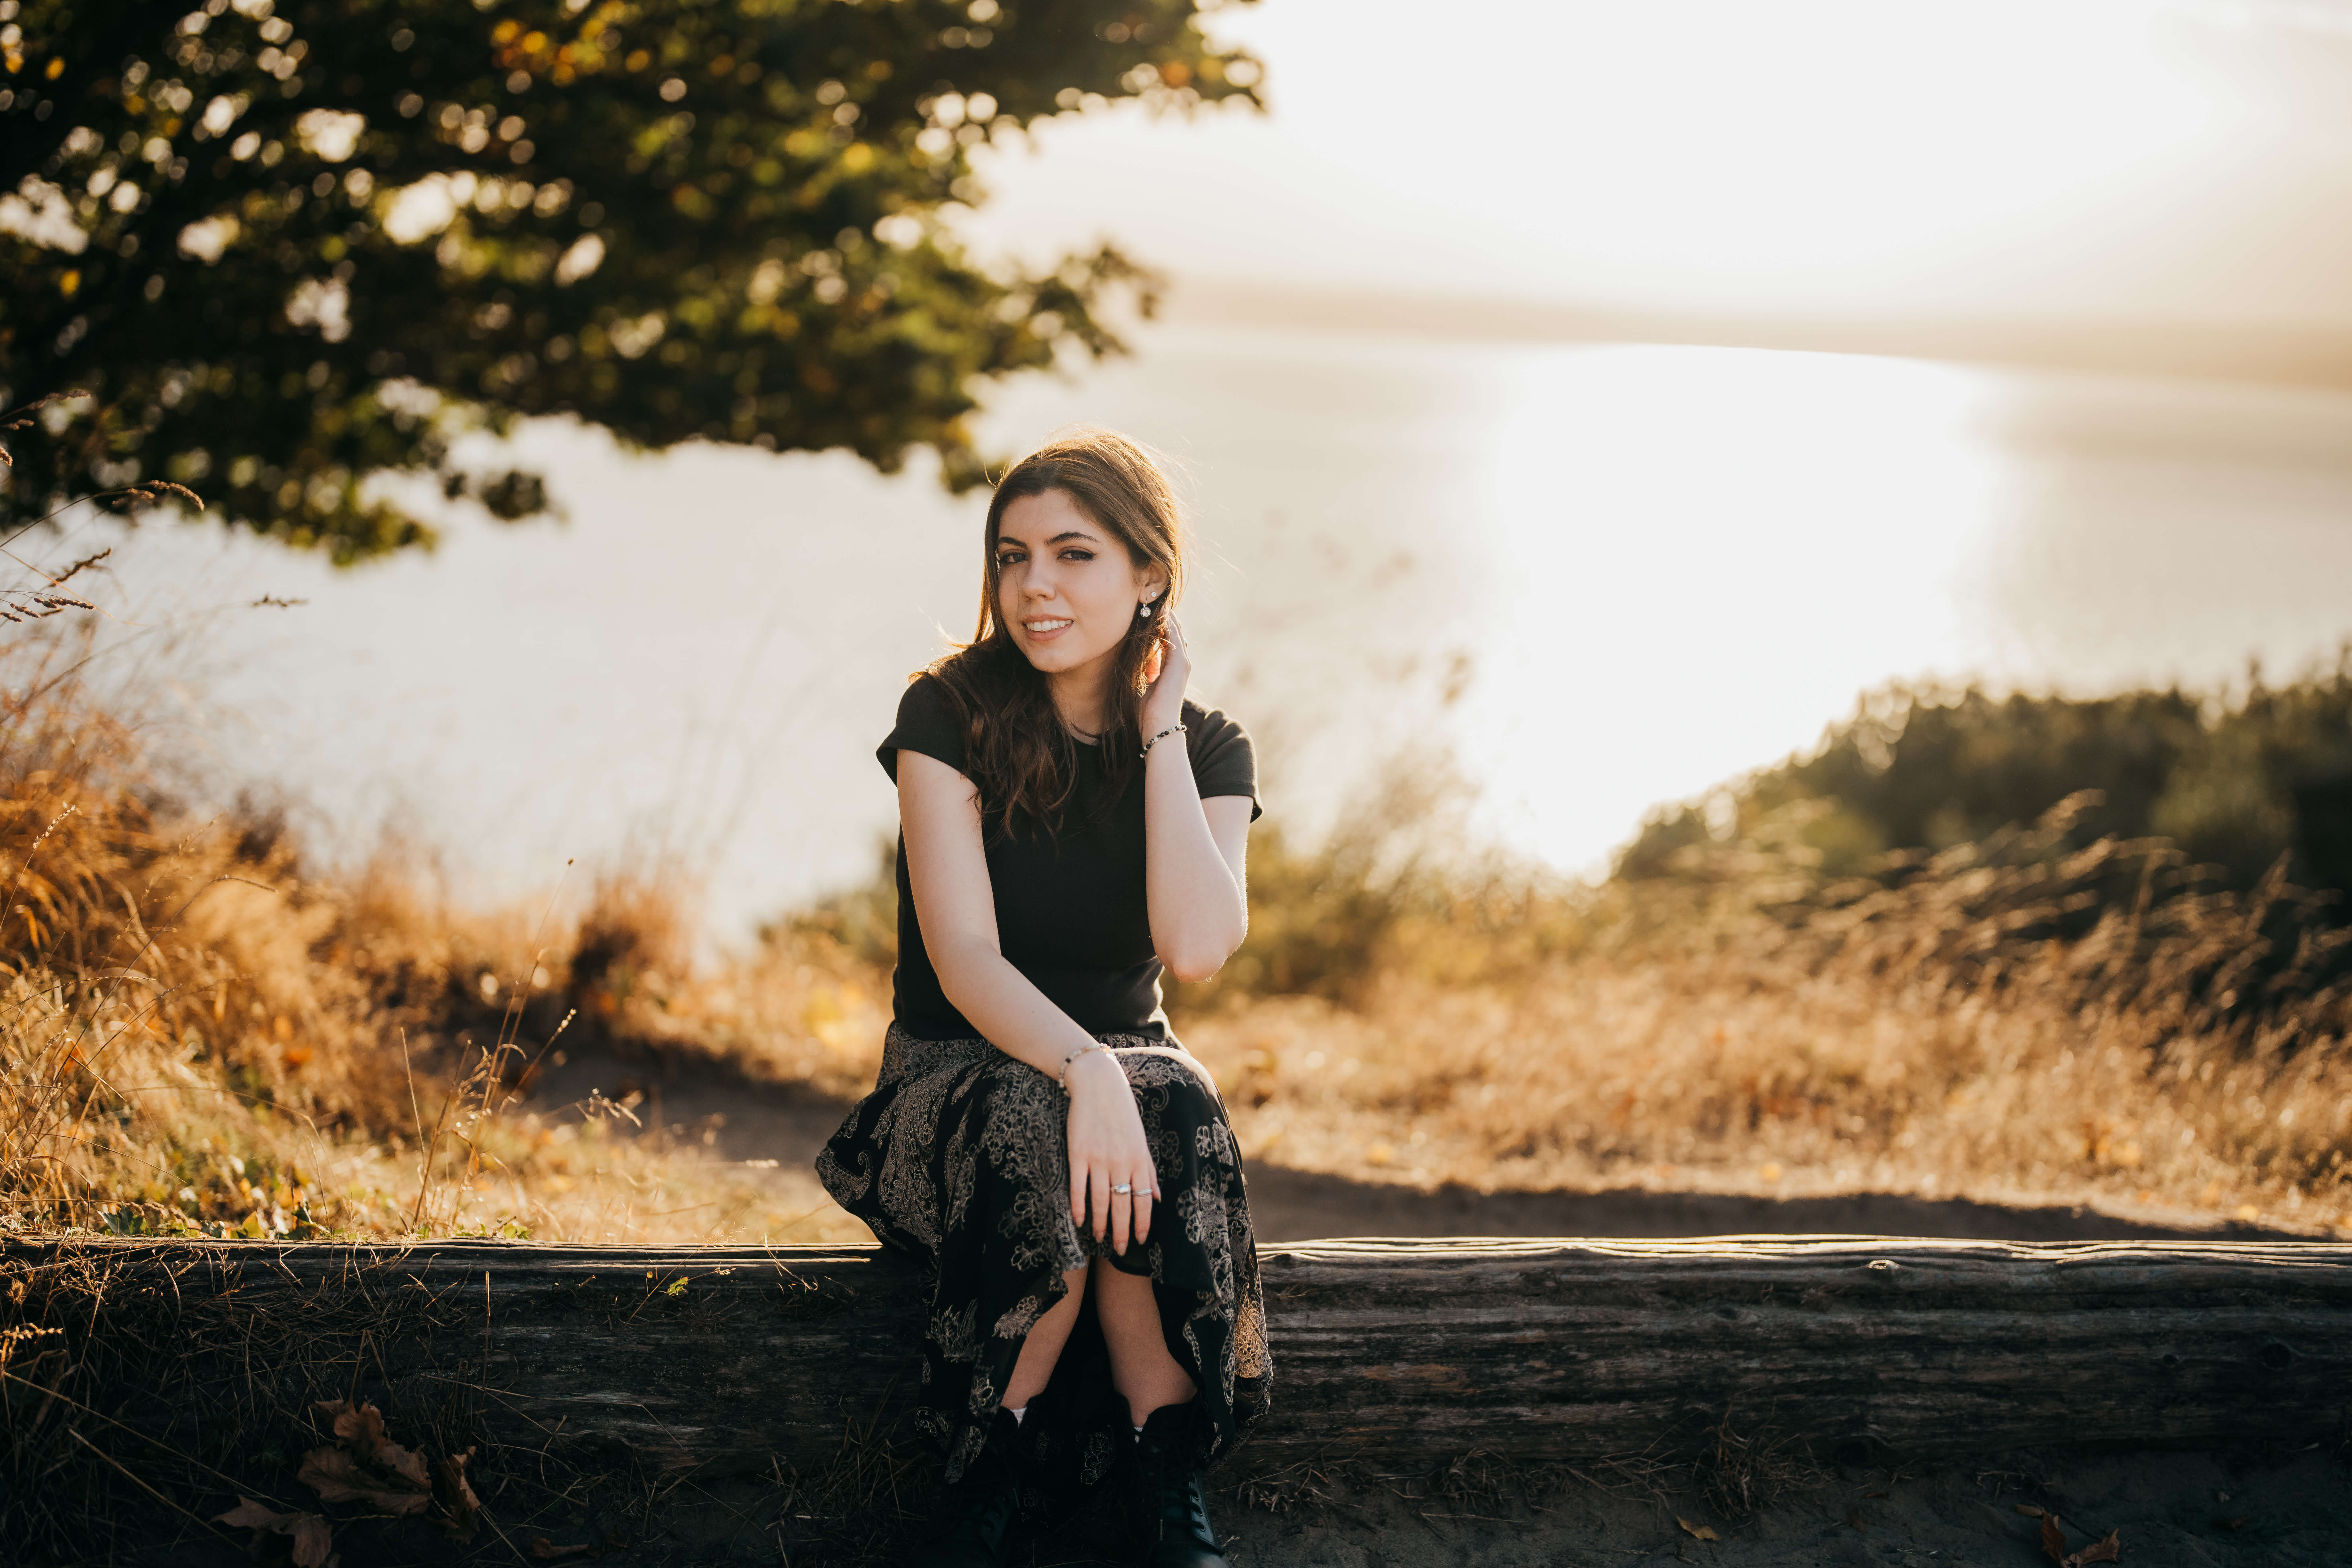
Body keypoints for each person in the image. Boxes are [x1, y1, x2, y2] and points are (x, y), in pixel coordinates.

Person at [816, 427, 1269, 1566]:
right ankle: (993, 1469)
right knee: (1058, 1104)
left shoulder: (1208, 746)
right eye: (1013, 557)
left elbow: (1200, 946)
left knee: (1176, 1089)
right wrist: (1086, 1069)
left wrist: (1160, 732)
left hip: (1133, 1089)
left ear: (1148, 574)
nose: (1035, 588)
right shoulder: (947, 714)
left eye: (1074, 556)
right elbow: (963, 957)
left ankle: (1165, 1482)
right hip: (950, 1086)